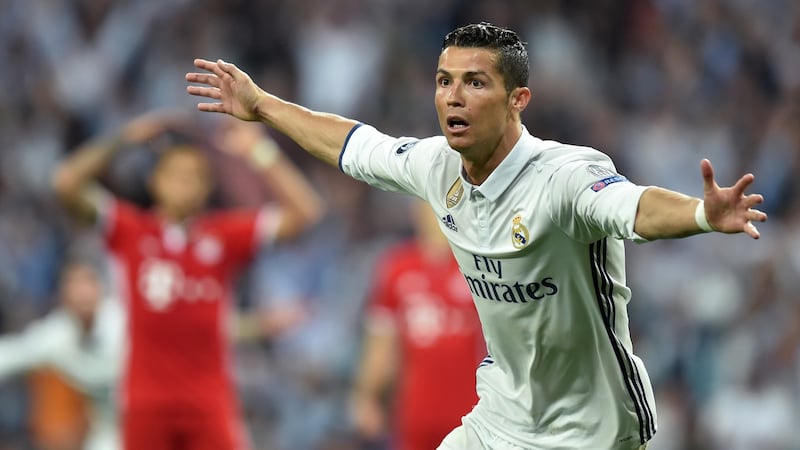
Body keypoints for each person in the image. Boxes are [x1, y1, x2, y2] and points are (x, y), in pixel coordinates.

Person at [185, 22, 767, 450]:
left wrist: (700, 215)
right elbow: (353, 145)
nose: (453, 97)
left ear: (518, 101)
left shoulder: (565, 174)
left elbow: (632, 207)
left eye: (474, 83)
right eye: (444, 81)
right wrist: (262, 106)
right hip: (501, 418)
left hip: (592, 428)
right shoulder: (437, 167)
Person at [51, 110, 325, 450]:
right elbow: (66, 182)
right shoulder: (130, 231)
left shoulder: (223, 237)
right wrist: (121, 139)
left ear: (207, 186)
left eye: (193, 176)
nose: (183, 184)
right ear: (155, 181)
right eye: (174, 174)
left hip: (208, 401)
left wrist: (259, 151)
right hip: (145, 402)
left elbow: (306, 211)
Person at [351, 199, 484, 450]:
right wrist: (366, 396)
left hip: (474, 414)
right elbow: (381, 343)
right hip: (416, 415)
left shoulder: (477, 267)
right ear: (416, 211)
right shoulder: (397, 269)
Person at [0, 259, 124, 450]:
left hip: (154, 422)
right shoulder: (59, 335)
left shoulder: (125, 325)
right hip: (109, 430)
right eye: (73, 285)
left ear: (101, 288)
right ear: (62, 295)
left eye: (87, 282)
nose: (81, 293)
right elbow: (13, 353)